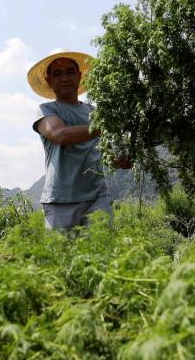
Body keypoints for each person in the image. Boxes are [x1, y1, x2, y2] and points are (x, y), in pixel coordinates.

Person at [27, 51, 131, 232]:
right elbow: (60, 135)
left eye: (70, 72)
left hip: (97, 198)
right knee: (62, 258)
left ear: (79, 76)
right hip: (60, 200)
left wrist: (120, 160)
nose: (64, 78)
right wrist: (102, 125)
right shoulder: (46, 110)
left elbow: (107, 152)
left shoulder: (94, 112)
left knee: (101, 256)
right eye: (57, 74)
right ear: (49, 81)